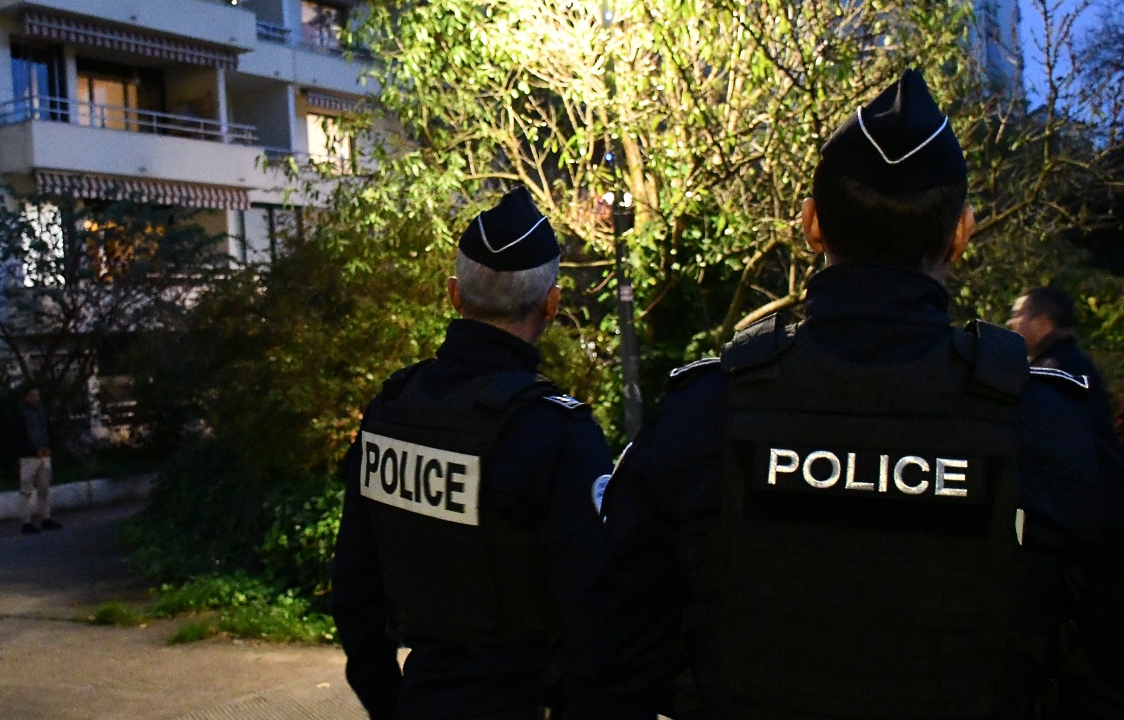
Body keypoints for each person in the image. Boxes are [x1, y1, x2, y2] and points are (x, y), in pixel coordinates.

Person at [591, 70, 1124, 720]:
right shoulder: (1051, 431)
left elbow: (613, 663)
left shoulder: (706, 414)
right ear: (961, 234)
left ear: (812, 225)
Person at [331, 187, 613, 720]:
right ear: (551, 303)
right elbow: (597, 625)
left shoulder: (392, 410)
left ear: (455, 295)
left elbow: (355, 589)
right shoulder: (556, 433)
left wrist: (390, 703)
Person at [1008, 285, 1113, 428]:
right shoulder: (1073, 364)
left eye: (1018, 315)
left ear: (1043, 322)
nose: (1010, 323)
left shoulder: (1055, 374)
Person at [12, 386, 61, 534]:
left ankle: (46, 517)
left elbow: (47, 428)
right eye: (33, 396)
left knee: (44, 487)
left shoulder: (41, 410)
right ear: (26, 397)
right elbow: (18, 434)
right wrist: (29, 449)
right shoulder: (21, 413)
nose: (36, 399)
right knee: (26, 489)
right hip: (29, 455)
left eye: (37, 396)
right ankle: (26, 522)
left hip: (43, 452)